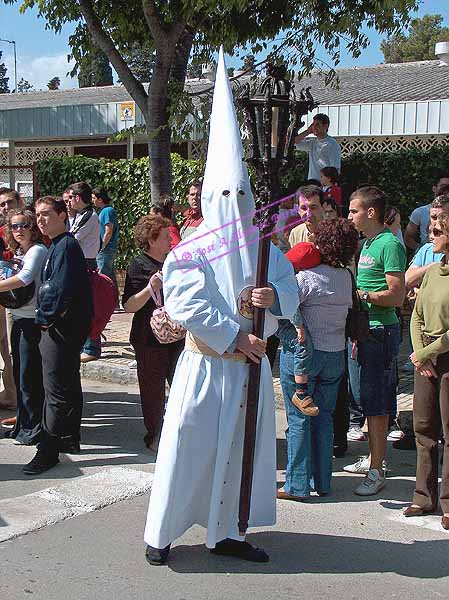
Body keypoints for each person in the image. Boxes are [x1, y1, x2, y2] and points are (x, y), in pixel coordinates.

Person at [143, 49, 297, 566]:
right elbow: (188, 304)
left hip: (249, 371)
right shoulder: (192, 249)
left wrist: (272, 302)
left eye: (241, 192)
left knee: (240, 453)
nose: (233, 200)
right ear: (212, 194)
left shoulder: (263, 247)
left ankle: (226, 530)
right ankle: (161, 532)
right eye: (224, 192)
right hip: (207, 368)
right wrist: (237, 336)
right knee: (190, 447)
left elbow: (288, 291)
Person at [277, 219, 358, 501]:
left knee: (299, 418)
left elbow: (283, 308)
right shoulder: (346, 277)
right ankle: (323, 481)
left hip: (305, 356)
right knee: (323, 418)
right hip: (335, 356)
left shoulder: (307, 278)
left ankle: (296, 485)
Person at [22, 196, 93, 475]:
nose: (40, 220)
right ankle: (69, 438)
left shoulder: (66, 246)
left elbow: (58, 292)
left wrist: (44, 320)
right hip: (65, 327)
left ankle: (49, 449)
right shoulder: (60, 245)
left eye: (47, 214)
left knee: (55, 390)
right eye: (37, 215)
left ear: (64, 215)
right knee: (67, 383)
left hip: (60, 329)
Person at [345, 186, 406, 495]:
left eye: (353, 210)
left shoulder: (389, 244)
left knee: (377, 402)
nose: (349, 216)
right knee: (365, 399)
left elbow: (397, 295)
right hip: (364, 330)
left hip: (380, 331)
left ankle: (376, 470)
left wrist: (361, 296)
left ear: (371, 212)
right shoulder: (367, 243)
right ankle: (372, 457)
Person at [123, 214, 183, 451]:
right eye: (166, 235)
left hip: (176, 335)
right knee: (152, 391)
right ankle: (155, 436)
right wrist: (150, 288)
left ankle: (178, 432)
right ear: (151, 238)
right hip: (147, 338)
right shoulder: (139, 265)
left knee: (181, 386)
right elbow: (128, 305)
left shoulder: (174, 261)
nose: (170, 239)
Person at [404, 213, 449, 530]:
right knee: (424, 428)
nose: (430, 233)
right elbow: (416, 314)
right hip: (426, 358)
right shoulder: (433, 271)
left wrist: (427, 353)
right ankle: (423, 496)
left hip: (442, 356)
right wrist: (421, 355)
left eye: (438, 229)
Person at [0, 209, 47, 445]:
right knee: (21, 375)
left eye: (23, 226)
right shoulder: (22, 252)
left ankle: (32, 428)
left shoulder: (37, 251)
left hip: (32, 320)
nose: (18, 231)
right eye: (14, 226)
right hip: (19, 317)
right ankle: (23, 425)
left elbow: (26, 278)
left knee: (30, 377)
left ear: (32, 228)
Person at [283, 242, 322, 417]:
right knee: (303, 344)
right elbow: (290, 304)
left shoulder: (284, 267)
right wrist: (299, 327)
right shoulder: (289, 276)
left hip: (279, 315)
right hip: (279, 319)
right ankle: (300, 392)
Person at [68, 181, 101, 363]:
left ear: (78, 198)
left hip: (87, 263)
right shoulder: (79, 215)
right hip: (81, 262)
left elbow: (73, 237)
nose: (69, 201)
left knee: (89, 306)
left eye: (71, 197)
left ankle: (92, 347)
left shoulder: (89, 216)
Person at [0, 189, 20, 417]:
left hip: (19, 299)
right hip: (4, 297)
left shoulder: (28, 228)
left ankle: (16, 397)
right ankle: (11, 394)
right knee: (5, 348)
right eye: (2, 204)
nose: (5, 207)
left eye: (9, 202)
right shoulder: (1, 231)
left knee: (13, 349)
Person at [405, 195, 449, 290]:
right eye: (434, 217)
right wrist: (431, 267)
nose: (437, 221)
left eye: (442, 216)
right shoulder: (426, 249)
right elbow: (407, 279)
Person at [404, 176, 449, 251]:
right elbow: (408, 237)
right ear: (434, 188)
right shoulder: (419, 212)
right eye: (443, 186)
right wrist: (422, 250)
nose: (446, 190)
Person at [295, 113, 341, 181]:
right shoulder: (312, 143)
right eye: (313, 124)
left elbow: (335, 169)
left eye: (317, 125)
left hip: (324, 184)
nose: (314, 127)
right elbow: (294, 143)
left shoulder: (332, 144)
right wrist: (307, 131)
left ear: (325, 126)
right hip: (312, 183)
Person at [92, 188, 119, 282]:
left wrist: (101, 246)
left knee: (103, 277)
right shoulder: (104, 211)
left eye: (94, 198)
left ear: (100, 199)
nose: (92, 201)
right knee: (110, 277)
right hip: (107, 249)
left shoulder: (107, 211)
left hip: (106, 249)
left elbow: (108, 231)